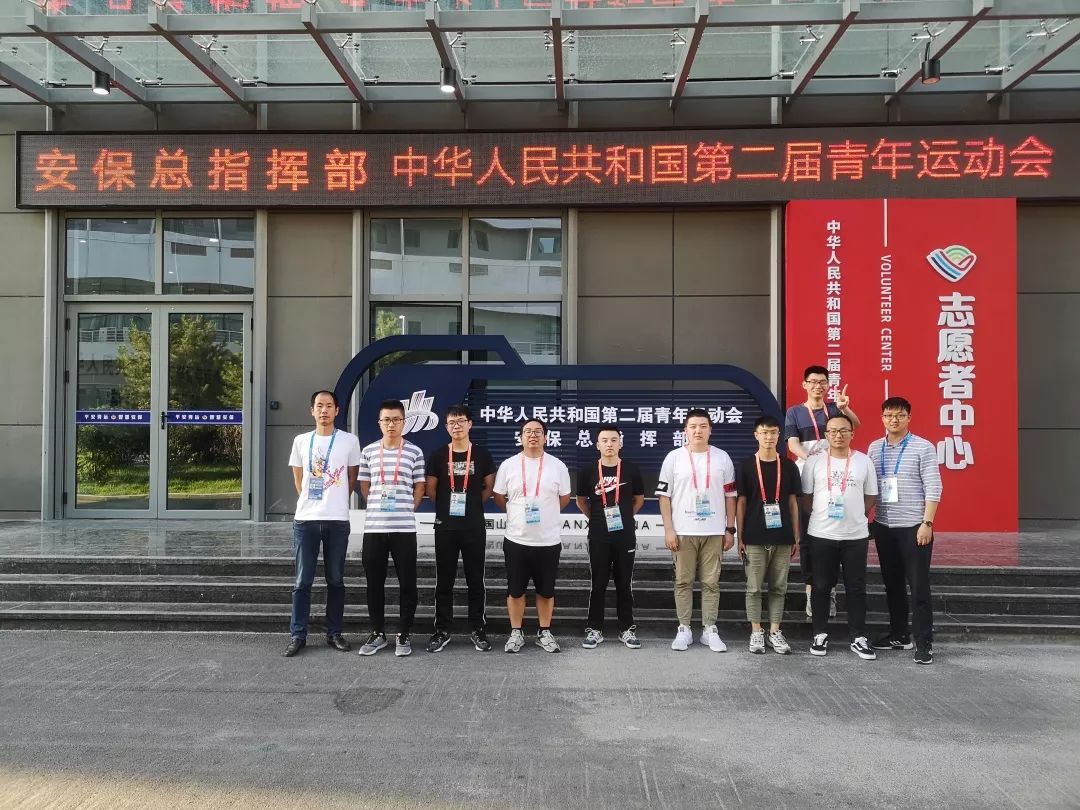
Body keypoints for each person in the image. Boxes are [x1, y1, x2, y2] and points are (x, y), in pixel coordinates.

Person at [284, 390, 362, 658]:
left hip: (337, 520)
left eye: (329, 405)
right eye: (319, 405)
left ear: (337, 410)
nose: (324, 410)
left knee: (335, 579)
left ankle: (334, 632)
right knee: (302, 580)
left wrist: (334, 501)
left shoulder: (350, 441)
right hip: (306, 520)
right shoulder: (301, 441)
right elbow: (299, 480)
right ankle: (298, 635)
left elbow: (352, 479)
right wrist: (312, 501)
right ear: (312, 411)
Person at [867, 397, 943, 665]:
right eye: (888, 415)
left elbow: (934, 486)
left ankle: (924, 643)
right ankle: (899, 635)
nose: (894, 420)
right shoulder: (874, 448)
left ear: (909, 418)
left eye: (899, 415)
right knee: (893, 584)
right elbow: (871, 488)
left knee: (918, 586)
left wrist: (927, 523)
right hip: (884, 526)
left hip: (914, 527)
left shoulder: (923, 447)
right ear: (882, 418)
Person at [657, 408, 738, 653]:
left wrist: (730, 528)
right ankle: (684, 628)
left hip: (714, 531)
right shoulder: (674, 457)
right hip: (683, 531)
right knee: (683, 581)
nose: (698, 431)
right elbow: (664, 497)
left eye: (703, 426)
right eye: (693, 426)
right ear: (685, 430)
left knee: (711, 582)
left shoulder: (722, 458)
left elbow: (730, 496)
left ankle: (709, 629)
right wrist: (669, 529)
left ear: (710, 430)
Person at [785, 365, 861, 620]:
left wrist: (845, 409)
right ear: (804, 384)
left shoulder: (834, 409)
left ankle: (830, 591)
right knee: (808, 537)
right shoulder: (795, 412)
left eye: (822, 382)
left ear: (828, 385)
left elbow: (855, 426)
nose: (818, 386)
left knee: (835, 535)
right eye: (813, 382)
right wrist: (813, 460)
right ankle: (812, 591)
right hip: (808, 478)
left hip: (835, 479)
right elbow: (792, 443)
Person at [801, 414, 878, 660]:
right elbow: (806, 497)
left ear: (852, 433)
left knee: (856, 587)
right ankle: (820, 633)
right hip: (821, 533)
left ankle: (858, 636)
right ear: (826, 435)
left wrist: (856, 515)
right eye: (833, 431)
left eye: (844, 430)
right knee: (821, 586)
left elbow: (870, 496)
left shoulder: (863, 461)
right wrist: (822, 515)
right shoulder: (814, 462)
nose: (838, 435)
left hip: (855, 535)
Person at [492, 419, 572, 654]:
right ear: (521, 437)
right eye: (527, 431)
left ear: (546, 437)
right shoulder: (509, 465)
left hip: (548, 540)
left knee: (546, 590)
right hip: (517, 539)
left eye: (538, 431)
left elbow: (564, 498)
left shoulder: (558, 466)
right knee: (515, 589)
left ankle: (544, 632)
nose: (533, 435)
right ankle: (516, 632)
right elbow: (499, 496)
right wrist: (515, 514)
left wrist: (547, 514)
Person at [356, 398, 427, 658]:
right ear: (379, 423)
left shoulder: (414, 452)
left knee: (408, 583)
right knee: (374, 583)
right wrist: (378, 506)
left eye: (396, 420)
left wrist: (408, 507)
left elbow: (419, 486)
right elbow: (365, 486)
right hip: (374, 529)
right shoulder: (368, 452)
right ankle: (378, 632)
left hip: (404, 529)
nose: (391, 424)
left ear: (404, 422)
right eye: (386, 420)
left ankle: (404, 633)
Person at [424, 405, 497, 653]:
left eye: (461, 421)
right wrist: (448, 508)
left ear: (470, 424)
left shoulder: (483, 454)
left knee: (475, 580)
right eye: (452, 422)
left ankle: (477, 628)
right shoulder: (437, 455)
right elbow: (431, 490)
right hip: (446, 526)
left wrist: (471, 505)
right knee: (444, 581)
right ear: (446, 427)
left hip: (473, 525)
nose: (456, 426)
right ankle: (442, 630)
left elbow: (489, 487)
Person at [575, 427, 646, 650]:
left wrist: (625, 517)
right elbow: (581, 501)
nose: (609, 444)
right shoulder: (587, 471)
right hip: (598, 535)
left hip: (625, 536)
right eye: (604, 440)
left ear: (620, 444)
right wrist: (597, 518)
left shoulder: (631, 469)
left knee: (624, 584)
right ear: (597, 445)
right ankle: (594, 629)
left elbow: (639, 499)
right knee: (598, 583)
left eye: (614, 440)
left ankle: (627, 629)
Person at [736, 415, 801, 655]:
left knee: (779, 587)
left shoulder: (789, 466)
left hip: (783, 537)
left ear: (779, 435)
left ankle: (775, 631)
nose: (769, 437)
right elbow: (741, 503)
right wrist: (740, 536)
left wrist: (795, 535)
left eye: (773, 432)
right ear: (756, 435)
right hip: (754, 536)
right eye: (764, 432)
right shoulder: (745, 466)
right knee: (753, 588)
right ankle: (756, 631)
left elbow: (793, 503)